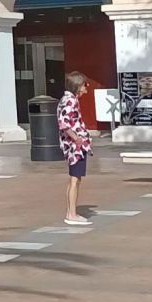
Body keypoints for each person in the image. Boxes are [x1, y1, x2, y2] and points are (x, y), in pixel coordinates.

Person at [59, 71, 94, 226]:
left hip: (74, 145)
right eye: (84, 85)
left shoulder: (68, 99)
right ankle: (72, 214)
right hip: (75, 147)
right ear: (77, 86)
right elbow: (64, 123)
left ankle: (71, 212)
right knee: (75, 179)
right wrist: (77, 139)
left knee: (75, 179)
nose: (86, 89)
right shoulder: (70, 101)